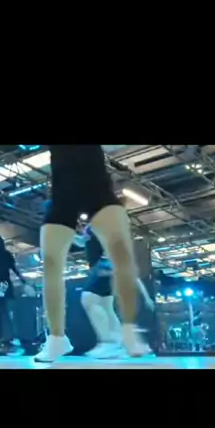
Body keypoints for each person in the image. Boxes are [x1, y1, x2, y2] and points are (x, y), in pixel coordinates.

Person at [35, 145, 150, 363]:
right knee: (50, 262)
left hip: (98, 189)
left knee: (121, 253)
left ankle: (128, 331)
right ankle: (57, 338)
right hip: (62, 192)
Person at [77, 222, 155, 359]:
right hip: (105, 267)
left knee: (89, 299)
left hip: (103, 266)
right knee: (106, 306)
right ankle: (122, 343)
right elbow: (83, 241)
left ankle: (110, 343)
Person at [0, 233, 34, 356]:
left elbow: (14, 269)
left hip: (3, 285)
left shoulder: (6, 255)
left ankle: (6, 341)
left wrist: (24, 281)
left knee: (4, 312)